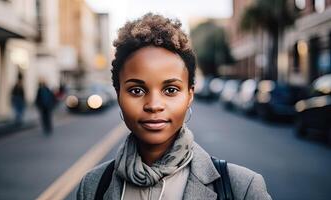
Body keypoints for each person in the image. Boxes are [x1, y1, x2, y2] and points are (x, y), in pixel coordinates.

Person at [77, 13, 272, 200]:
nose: (153, 105)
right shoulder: (93, 186)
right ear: (118, 95)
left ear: (189, 95)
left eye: (170, 90)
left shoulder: (243, 188)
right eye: (137, 90)